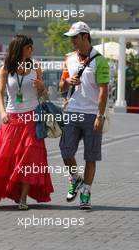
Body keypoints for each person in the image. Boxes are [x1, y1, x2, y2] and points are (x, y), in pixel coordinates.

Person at [0, 35, 54, 210]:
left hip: (32, 117)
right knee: (6, 158)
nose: (31, 50)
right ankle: (11, 192)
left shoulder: (35, 68)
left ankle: (23, 198)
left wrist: (41, 87)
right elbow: (0, 94)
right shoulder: (6, 69)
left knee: (30, 159)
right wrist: (2, 112)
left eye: (32, 47)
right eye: (28, 47)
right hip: (12, 118)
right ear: (19, 48)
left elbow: (43, 95)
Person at [59, 21, 109, 209]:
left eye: (75, 37)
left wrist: (100, 115)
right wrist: (67, 82)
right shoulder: (69, 59)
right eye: (71, 37)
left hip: (91, 114)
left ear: (85, 36)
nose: (72, 40)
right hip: (72, 111)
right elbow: (61, 86)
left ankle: (86, 192)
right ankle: (75, 178)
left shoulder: (100, 60)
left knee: (91, 156)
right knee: (66, 151)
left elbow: (104, 91)